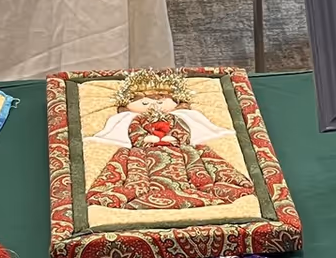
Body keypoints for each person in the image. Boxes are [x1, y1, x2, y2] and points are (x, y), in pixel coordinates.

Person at [84, 70, 253, 211]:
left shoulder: (180, 117)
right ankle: (139, 194)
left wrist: (176, 138)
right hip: (143, 154)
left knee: (200, 158)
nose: (154, 105)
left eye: (160, 101)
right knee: (126, 162)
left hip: (179, 151)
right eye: (144, 102)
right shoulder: (132, 120)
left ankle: (197, 191)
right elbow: (134, 133)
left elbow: (184, 130)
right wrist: (143, 139)